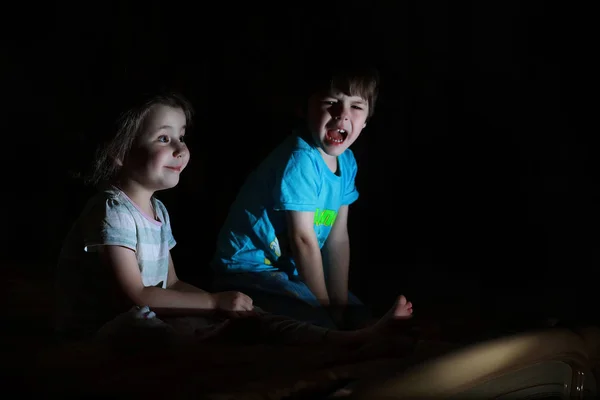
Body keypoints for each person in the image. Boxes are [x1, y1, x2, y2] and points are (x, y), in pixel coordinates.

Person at [54, 89, 415, 348]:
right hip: (105, 329)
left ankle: (346, 341)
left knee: (248, 316)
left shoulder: (158, 211)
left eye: (181, 136)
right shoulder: (111, 210)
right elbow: (135, 294)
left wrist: (224, 302)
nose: (180, 148)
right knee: (182, 331)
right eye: (164, 138)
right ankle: (340, 343)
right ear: (120, 152)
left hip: (145, 312)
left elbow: (172, 284)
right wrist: (212, 304)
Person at [210, 63, 380, 329]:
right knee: (316, 322)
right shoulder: (300, 159)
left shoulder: (347, 162)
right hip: (248, 272)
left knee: (357, 316)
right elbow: (303, 239)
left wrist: (338, 306)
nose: (342, 115)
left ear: (366, 120)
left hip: (290, 273)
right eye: (331, 102)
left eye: (356, 107)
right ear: (304, 109)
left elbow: (338, 238)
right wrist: (327, 310)